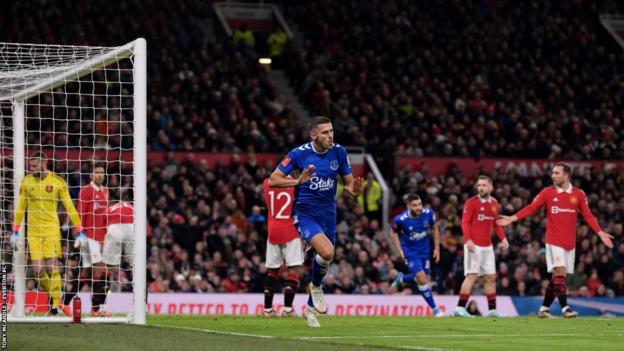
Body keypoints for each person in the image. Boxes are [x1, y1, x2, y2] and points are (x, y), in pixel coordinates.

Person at [269, 116, 363, 327]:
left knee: (327, 257)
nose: (330, 136)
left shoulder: (339, 152)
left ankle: (310, 309)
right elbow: (273, 179)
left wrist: (354, 191)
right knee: (327, 252)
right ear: (313, 135)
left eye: (331, 131)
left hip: (329, 213)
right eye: (325, 132)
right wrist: (297, 181)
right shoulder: (299, 154)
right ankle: (317, 287)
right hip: (305, 213)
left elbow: (349, 186)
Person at [497, 163, 614, 318]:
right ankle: (566, 309)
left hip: (569, 243)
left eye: (557, 173)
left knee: (557, 278)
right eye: (552, 173)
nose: (553, 176)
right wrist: (512, 218)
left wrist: (600, 232)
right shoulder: (548, 193)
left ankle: (544, 309)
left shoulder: (579, 194)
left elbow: (588, 215)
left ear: (566, 175)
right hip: (553, 241)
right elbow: (531, 207)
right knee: (559, 271)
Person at [10, 152, 84, 316]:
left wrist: (79, 230)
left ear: (45, 163)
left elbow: (70, 207)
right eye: (30, 166)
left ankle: (56, 306)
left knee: (52, 267)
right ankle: (56, 298)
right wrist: (14, 231)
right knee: (37, 271)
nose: (31, 168)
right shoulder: (27, 182)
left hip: (51, 230)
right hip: (34, 233)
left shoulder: (58, 182)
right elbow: (21, 208)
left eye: (34, 166)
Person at [455, 175, 509, 318]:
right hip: (474, 245)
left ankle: (492, 310)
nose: (481, 188)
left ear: (491, 187)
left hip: (487, 247)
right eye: (479, 185)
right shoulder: (471, 203)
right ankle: (460, 308)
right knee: (472, 276)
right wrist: (468, 240)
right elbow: (465, 223)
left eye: (484, 185)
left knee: (490, 277)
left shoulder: (495, 204)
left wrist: (503, 238)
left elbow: (496, 224)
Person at [388, 193, 444, 317]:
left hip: (425, 251)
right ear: (408, 206)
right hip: (411, 252)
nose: (418, 207)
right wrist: (399, 250)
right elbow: (392, 232)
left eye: (419, 204)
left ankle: (402, 278)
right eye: (415, 205)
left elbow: (435, 228)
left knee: (422, 277)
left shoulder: (428, 213)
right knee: (422, 279)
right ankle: (435, 310)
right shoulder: (400, 220)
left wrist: (437, 248)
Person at [71, 163, 110, 316]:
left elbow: (105, 216)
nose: (100, 175)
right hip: (89, 237)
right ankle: (97, 309)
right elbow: (80, 212)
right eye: (97, 172)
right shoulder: (86, 191)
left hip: (103, 238)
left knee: (87, 274)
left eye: (102, 172)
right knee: (101, 272)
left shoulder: (106, 191)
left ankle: (65, 301)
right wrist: (79, 234)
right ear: (91, 175)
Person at [261, 178, 303, 317]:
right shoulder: (296, 184)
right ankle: (287, 309)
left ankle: (267, 310)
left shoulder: (267, 183)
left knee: (273, 271)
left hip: (272, 231)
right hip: (290, 230)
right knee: (294, 269)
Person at [101, 196, 135, 310]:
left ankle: (101, 305)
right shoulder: (133, 207)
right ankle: (142, 305)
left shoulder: (109, 209)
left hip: (114, 228)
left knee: (107, 269)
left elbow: (104, 229)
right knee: (137, 268)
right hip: (132, 227)